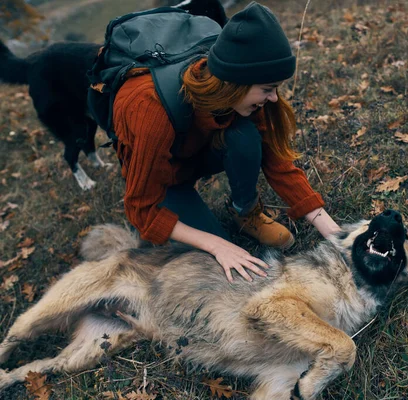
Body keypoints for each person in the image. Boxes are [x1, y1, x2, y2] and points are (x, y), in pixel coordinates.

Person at [111, 1, 340, 283]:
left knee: (244, 135)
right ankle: (197, 216)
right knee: (217, 259)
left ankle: (245, 212)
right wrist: (217, 245)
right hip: (166, 178)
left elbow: (277, 162)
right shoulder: (149, 107)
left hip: (198, 152)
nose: (274, 99)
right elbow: (142, 209)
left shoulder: (245, 96)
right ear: (235, 83)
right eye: (267, 90)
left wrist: (332, 231)